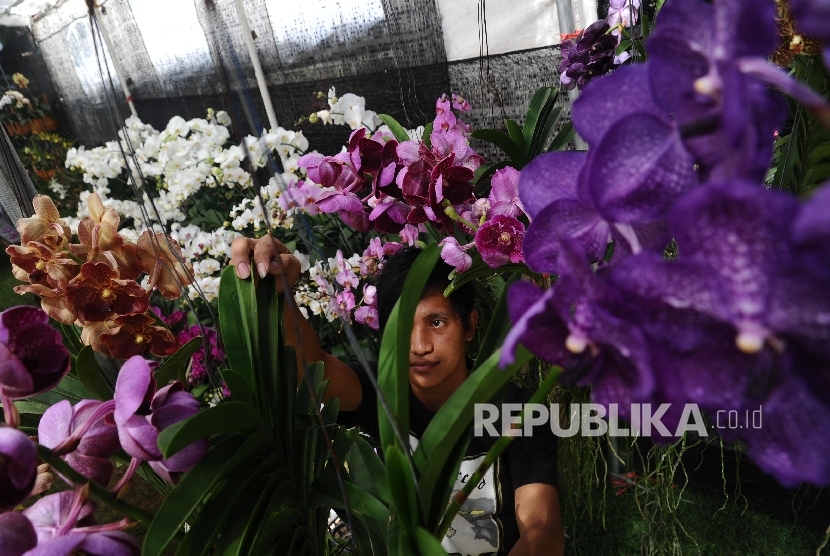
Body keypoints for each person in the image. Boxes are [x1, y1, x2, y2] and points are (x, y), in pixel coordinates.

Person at [230, 236, 565, 556]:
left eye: (436, 321)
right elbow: (309, 369)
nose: (419, 346)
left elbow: (541, 529)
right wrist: (279, 294)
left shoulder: (516, 412)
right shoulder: (379, 392)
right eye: (403, 325)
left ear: (471, 326)